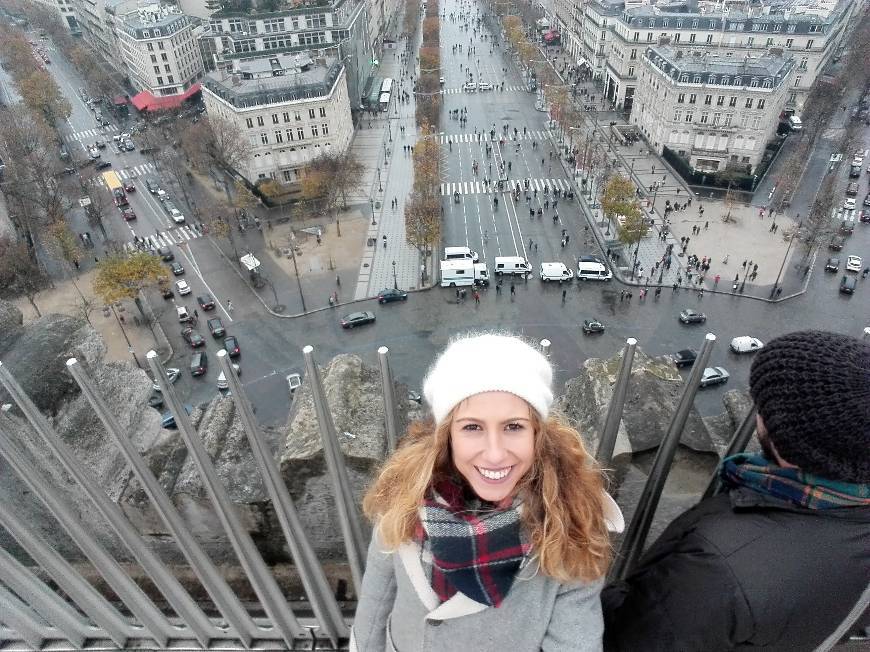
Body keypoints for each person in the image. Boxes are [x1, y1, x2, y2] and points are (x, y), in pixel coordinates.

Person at [353, 334, 624, 652]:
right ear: (447, 435)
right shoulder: (405, 493)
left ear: (537, 433)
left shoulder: (571, 522)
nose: (494, 454)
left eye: (513, 427)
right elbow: (377, 595)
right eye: (472, 427)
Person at [602, 330, 870, 651]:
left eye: (763, 405)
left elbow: (632, 638)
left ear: (784, 436)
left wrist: (580, 579)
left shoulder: (715, 567)